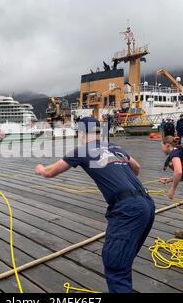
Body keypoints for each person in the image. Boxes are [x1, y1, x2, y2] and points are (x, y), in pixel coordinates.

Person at [35, 117, 155, 293]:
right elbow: (136, 168)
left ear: (82, 133)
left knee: (115, 266)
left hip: (128, 209)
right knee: (123, 259)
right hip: (147, 205)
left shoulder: (82, 150)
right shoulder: (115, 147)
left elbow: (49, 172)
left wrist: (40, 168)